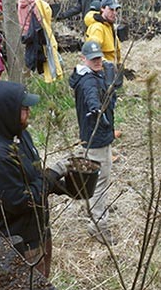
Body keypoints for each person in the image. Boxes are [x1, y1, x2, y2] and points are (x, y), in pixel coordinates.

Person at [0, 81, 66, 277]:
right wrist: (51, 176)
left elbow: (33, 174)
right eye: (24, 108)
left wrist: (64, 186)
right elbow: (22, 201)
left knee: (44, 283)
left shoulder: (19, 135)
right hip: (20, 243)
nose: (29, 113)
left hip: (37, 229)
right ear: (7, 111)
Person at [51, 41, 123, 244]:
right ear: (83, 59)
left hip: (96, 134)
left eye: (99, 57)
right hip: (96, 135)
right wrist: (97, 110)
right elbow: (92, 97)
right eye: (93, 59)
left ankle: (92, 205)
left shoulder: (87, 74)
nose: (98, 61)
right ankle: (99, 227)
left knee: (95, 173)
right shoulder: (89, 82)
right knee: (99, 181)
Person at [17, 0, 63, 83]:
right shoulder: (34, 4)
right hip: (34, 34)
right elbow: (41, 20)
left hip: (24, 34)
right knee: (41, 56)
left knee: (27, 57)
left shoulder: (20, 2)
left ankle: (25, 79)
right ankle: (47, 78)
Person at [85, 0, 122, 64]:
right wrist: (107, 66)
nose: (114, 13)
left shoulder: (109, 26)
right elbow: (93, 52)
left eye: (116, 10)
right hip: (102, 72)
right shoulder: (98, 28)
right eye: (111, 9)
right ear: (102, 8)